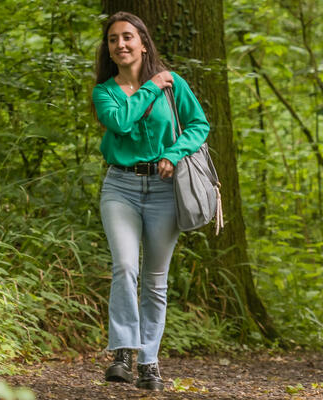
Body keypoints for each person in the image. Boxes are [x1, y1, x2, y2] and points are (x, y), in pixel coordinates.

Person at [90, 11, 210, 391]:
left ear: (143, 42)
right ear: (108, 50)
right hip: (120, 188)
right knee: (125, 266)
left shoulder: (174, 85)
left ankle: (150, 363)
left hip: (164, 191)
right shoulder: (104, 92)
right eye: (113, 40)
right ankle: (123, 350)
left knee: (155, 281)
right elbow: (121, 123)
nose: (121, 44)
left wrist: (173, 154)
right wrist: (151, 88)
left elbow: (199, 125)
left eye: (127, 37)